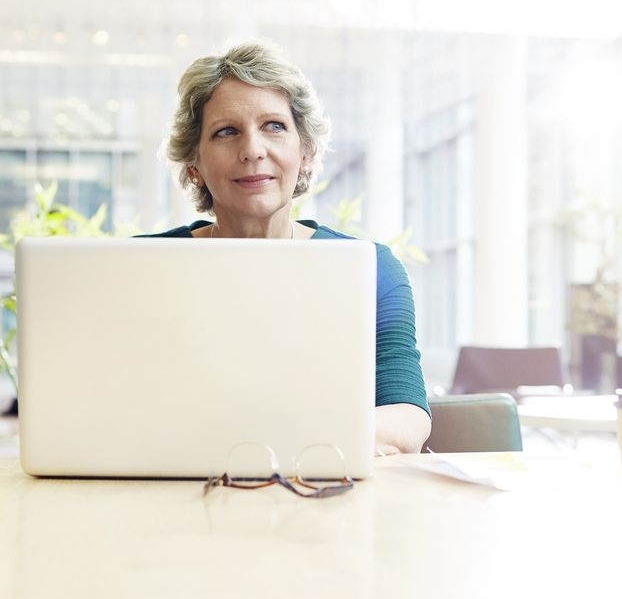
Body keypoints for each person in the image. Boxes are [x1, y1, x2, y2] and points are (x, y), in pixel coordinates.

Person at [140, 40, 431, 456]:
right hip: (168, 499)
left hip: (322, 499)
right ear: (195, 167)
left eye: (274, 126)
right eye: (226, 132)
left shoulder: (372, 269)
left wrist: (260, 444)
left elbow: (404, 419)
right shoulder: (141, 268)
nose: (253, 150)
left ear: (306, 152)